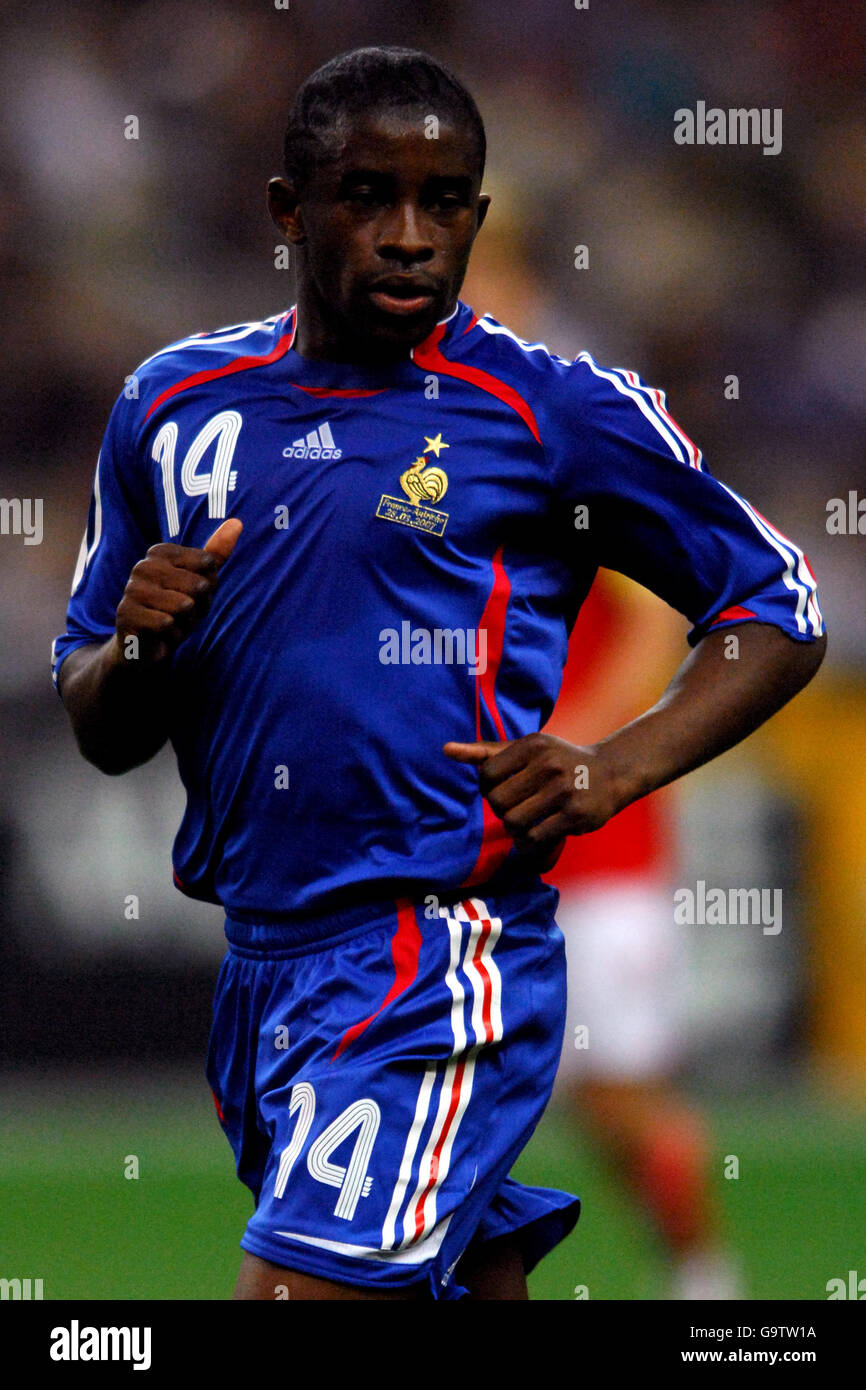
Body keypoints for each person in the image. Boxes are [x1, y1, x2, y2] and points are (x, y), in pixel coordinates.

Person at [52, 46, 826, 1301]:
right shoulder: (173, 407)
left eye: (444, 201)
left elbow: (774, 608)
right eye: (367, 196)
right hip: (264, 967)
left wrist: (612, 765)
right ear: (287, 210)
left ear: (475, 211)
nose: (410, 236)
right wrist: (136, 646)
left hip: (431, 951)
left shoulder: (547, 411)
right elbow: (99, 722)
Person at [545, 574, 741, 1299]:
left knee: (624, 1097)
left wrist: (575, 742)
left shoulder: (571, 476)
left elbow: (656, 625)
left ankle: (711, 1292)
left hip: (606, 868)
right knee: (592, 1104)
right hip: (523, 866)